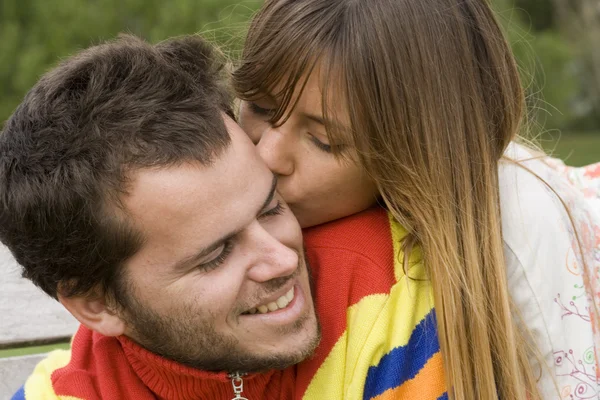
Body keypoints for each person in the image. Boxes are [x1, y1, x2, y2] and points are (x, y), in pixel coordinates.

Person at [233, 0, 600, 398]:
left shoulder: (521, 223)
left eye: (324, 142)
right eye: (260, 107)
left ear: (414, 155)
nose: (268, 155)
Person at [0, 34, 322, 399]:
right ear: (97, 304)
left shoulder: (382, 301)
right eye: (216, 254)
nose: (283, 260)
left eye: (271, 209)